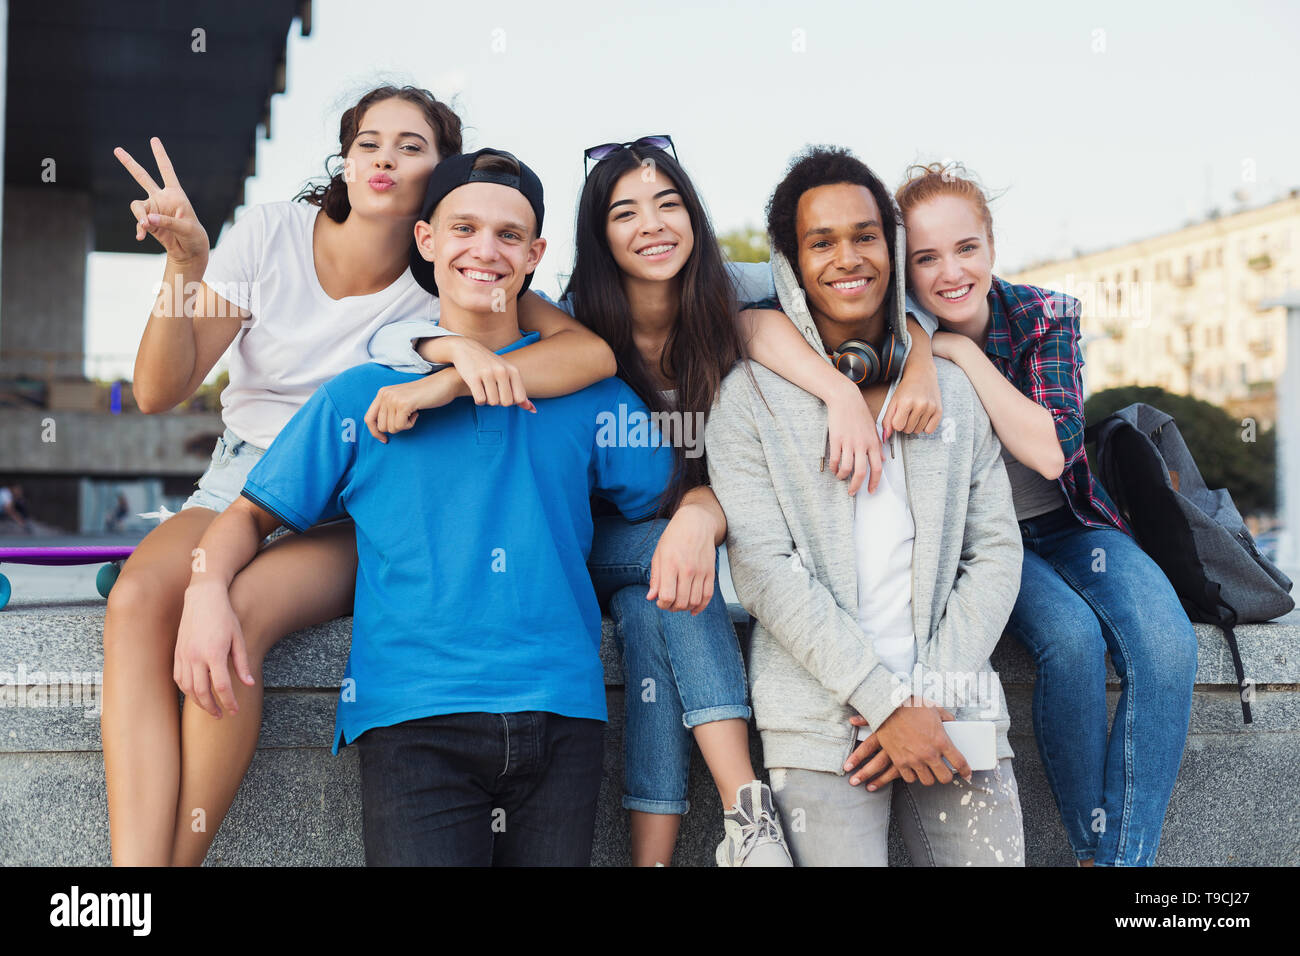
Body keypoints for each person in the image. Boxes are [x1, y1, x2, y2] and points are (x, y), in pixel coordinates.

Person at [369, 135, 944, 866]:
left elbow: (871, 303)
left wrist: (890, 369)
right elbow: (408, 330)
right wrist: (451, 362)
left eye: (669, 204)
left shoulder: (730, 290)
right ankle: (747, 809)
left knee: (655, 607)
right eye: (625, 213)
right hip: (600, 543)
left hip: (712, 536)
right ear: (596, 235)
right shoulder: (570, 310)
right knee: (673, 573)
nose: (653, 226)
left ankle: (662, 857)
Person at [102, 86, 617, 867]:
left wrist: (449, 364)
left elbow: (590, 355)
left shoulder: (454, 265)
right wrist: (185, 265)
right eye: (368, 141)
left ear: (440, 176)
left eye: (412, 146)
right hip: (248, 476)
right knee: (141, 600)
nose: (385, 157)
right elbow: (156, 390)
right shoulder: (271, 235)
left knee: (239, 611)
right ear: (345, 160)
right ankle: (130, 881)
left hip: (355, 501)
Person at [706, 146, 1026, 866]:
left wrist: (929, 699)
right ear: (789, 262)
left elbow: (998, 551)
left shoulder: (949, 389)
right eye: (822, 241)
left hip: (957, 717)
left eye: (865, 235)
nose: (848, 257)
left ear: (894, 245)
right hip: (821, 728)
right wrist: (883, 701)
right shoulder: (748, 400)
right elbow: (764, 569)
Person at [895, 162, 1198, 866]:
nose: (950, 272)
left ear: (992, 245)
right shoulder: (896, 335)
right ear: (905, 268)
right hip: (993, 545)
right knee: (1071, 641)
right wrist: (920, 344)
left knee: (1167, 645)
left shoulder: (1044, 315)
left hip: (1073, 523)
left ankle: (1124, 863)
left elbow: (1053, 452)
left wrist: (963, 354)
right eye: (926, 257)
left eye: (966, 248)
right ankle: (1099, 850)